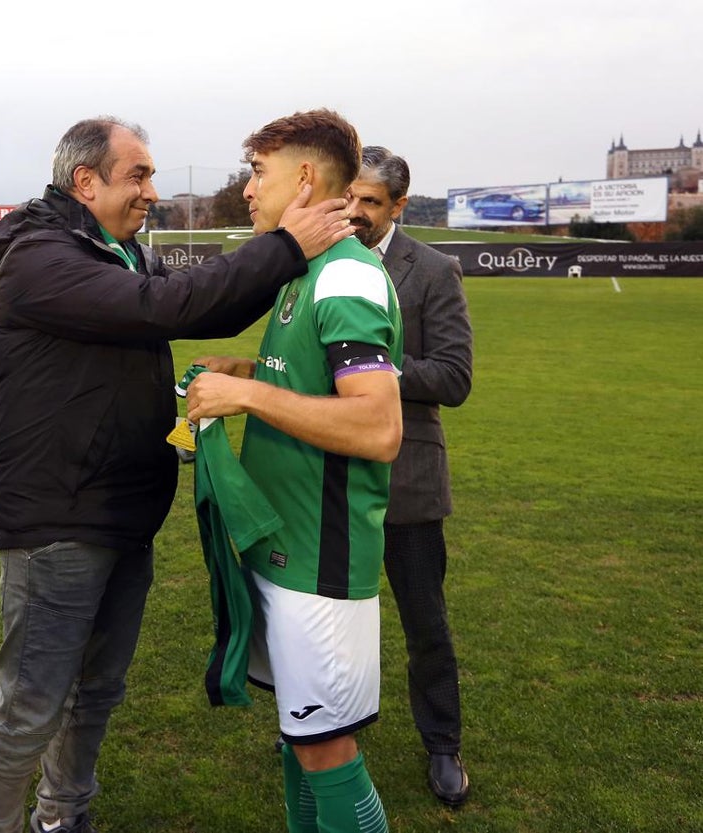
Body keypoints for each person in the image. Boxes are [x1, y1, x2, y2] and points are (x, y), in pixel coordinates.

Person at [0, 115, 356, 833]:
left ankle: (62, 817)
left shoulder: (118, 250)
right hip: (59, 520)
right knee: (29, 708)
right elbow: (162, 306)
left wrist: (292, 252)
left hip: (123, 513)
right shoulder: (39, 256)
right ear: (86, 181)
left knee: (97, 692)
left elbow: (207, 302)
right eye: (138, 174)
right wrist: (283, 246)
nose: (152, 190)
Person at [185, 109, 403, 833]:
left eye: (258, 172)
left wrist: (246, 396)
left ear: (305, 177)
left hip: (321, 560)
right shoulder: (304, 271)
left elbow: (378, 426)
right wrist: (248, 370)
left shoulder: (347, 276)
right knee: (301, 737)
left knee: (325, 747)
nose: (248, 189)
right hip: (286, 548)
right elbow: (314, 383)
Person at [347, 146, 473, 807]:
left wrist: (377, 373)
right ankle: (324, 731)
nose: (356, 211)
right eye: (350, 197)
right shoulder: (322, 260)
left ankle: (443, 743)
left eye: (370, 201)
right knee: (334, 619)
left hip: (408, 480)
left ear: (398, 205)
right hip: (330, 477)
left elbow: (454, 376)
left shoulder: (432, 270)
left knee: (425, 624)